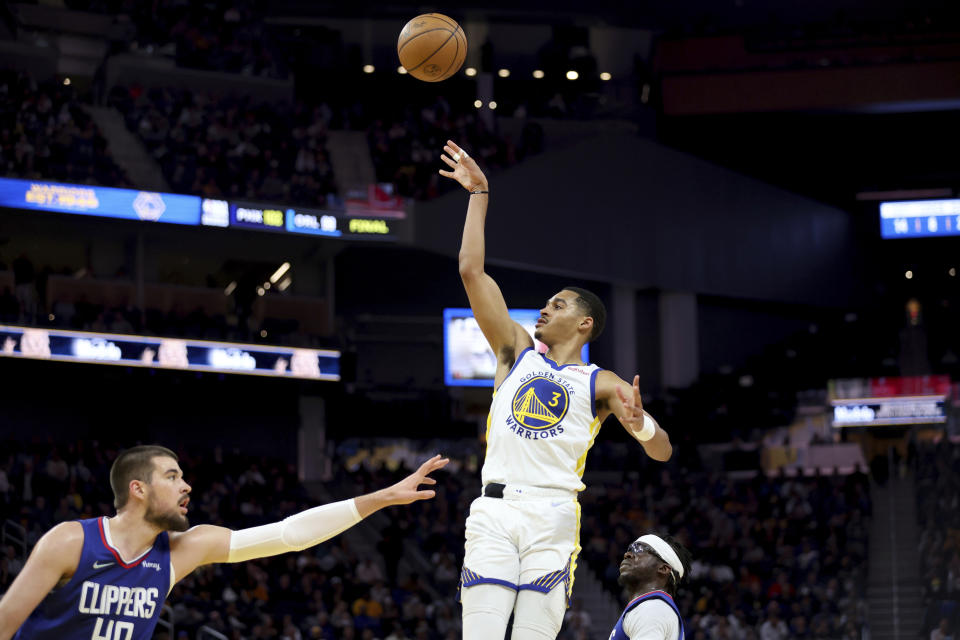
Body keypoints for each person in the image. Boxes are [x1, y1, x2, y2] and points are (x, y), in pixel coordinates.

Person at [438, 140, 674, 640]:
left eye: (558, 305)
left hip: (553, 517)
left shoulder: (601, 382)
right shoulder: (515, 350)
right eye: (546, 303)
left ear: (585, 323)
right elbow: (470, 271)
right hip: (496, 510)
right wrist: (479, 193)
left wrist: (641, 423)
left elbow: (661, 451)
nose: (544, 310)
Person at [0, 444, 448, 639]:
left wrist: (382, 498)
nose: (186, 486)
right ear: (137, 488)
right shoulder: (72, 541)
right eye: (172, 477)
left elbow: (288, 535)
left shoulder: (183, 549)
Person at [609, 534, 691, 640]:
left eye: (639, 549)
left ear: (663, 568)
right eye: (630, 549)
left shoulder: (651, 609)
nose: (627, 554)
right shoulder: (651, 607)